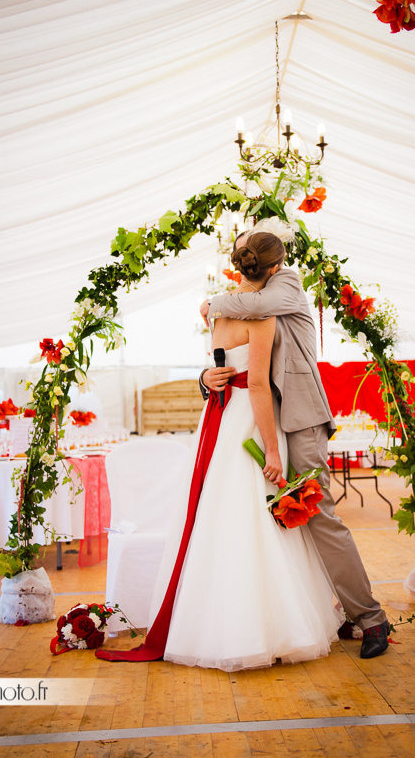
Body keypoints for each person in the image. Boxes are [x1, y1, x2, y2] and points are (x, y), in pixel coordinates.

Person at [96, 232, 345, 671]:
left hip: (220, 419)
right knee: (257, 513)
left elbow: (221, 364)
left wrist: (210, 374)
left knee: (217, 512)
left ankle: (209, 622)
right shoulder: (261, 316)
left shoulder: (218, 312)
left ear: (239, 267)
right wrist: (272, 449)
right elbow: (255, 383)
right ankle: (267, 626)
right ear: (273, 268)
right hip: (250, 415)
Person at [199, 230, 391, 659]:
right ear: (274, 260)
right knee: (278, 517)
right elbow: (224, 362)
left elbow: (259, 305)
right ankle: (325, 610)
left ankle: (372, 618)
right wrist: (204, 379)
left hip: (300, 418)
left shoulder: (286, 284)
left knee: (317, 514)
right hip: (258, 421)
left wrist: (213, 303)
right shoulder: (248, 299)